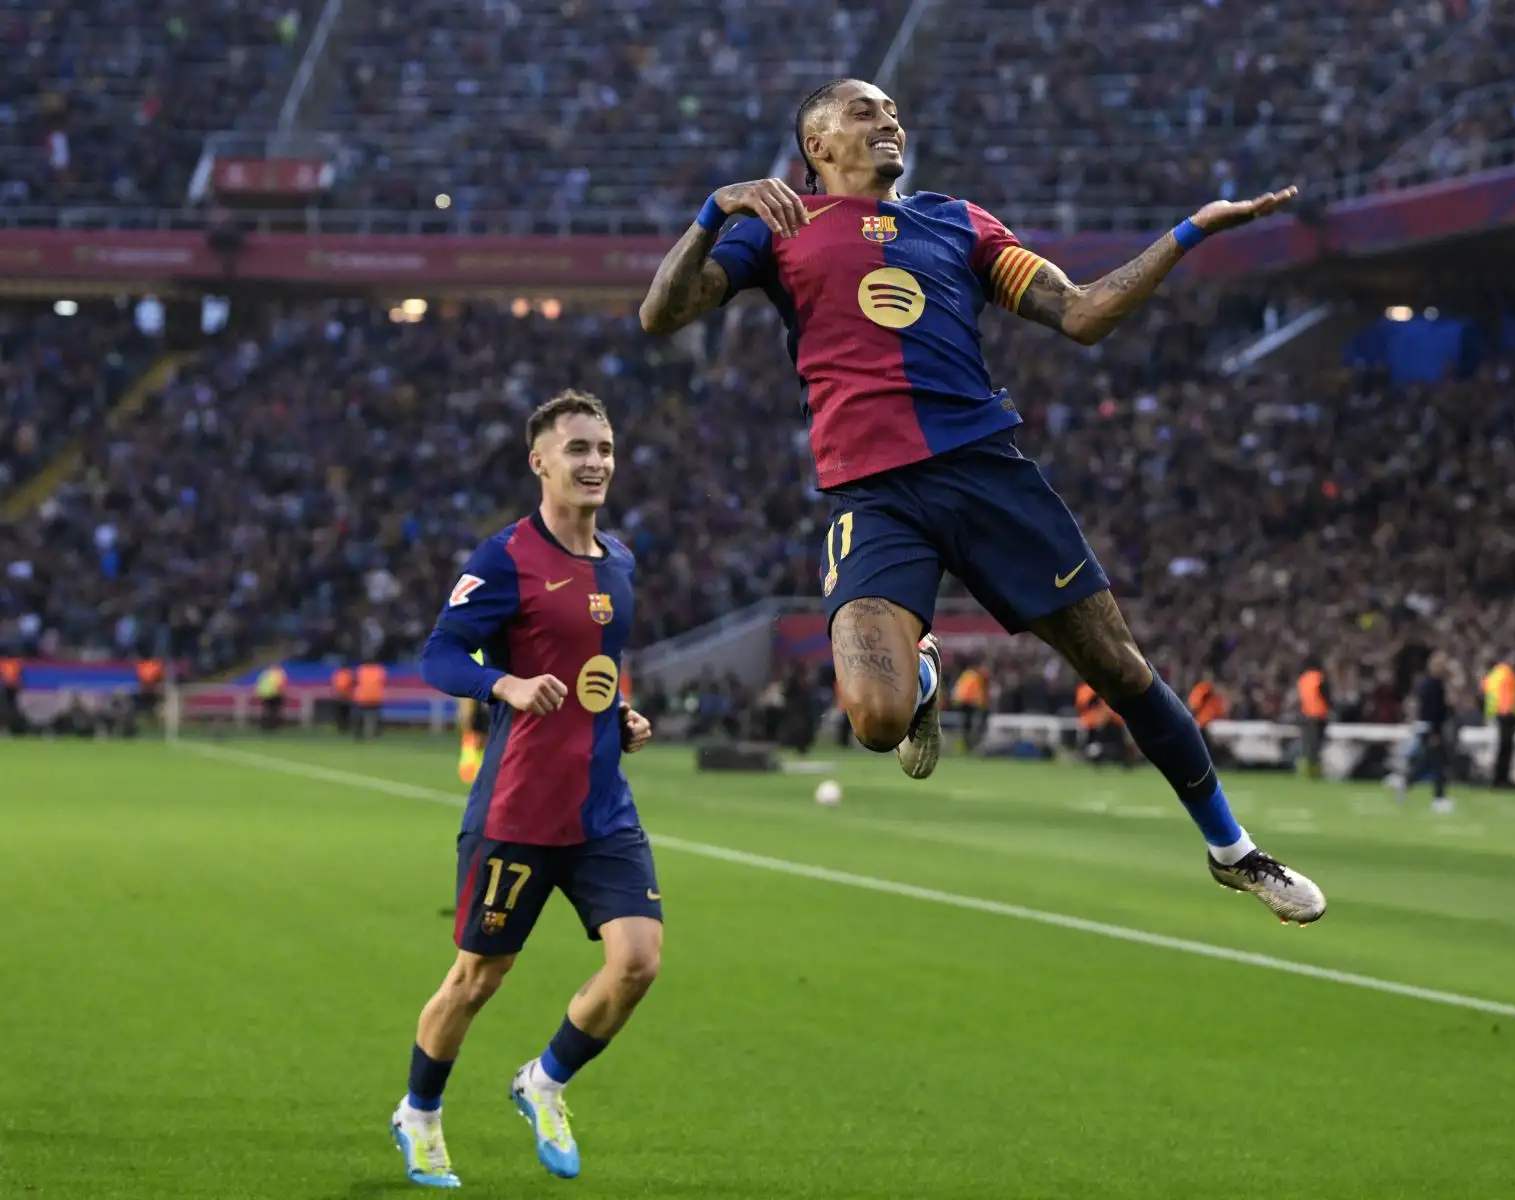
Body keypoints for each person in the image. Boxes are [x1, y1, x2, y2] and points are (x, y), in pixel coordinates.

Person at [639, 78, 1323, 924]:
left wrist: (1187, 233)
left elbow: (1080, 314)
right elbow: (661, 313)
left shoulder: (958, 222)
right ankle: (920, 676)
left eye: (893, 111)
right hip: (876, 495)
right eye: (864, 112)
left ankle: (1233, 851)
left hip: (988, 475)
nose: (888, 121)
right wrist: (713, 212)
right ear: (815, 145)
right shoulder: (777, 235)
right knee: (876, 722)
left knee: (1119, 669)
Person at [396, 391, 660, 1188]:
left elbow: (594, 672)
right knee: (478, 979)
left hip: (602, 806)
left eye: (605, 448)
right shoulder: (503, 559)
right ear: (539, 461)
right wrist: (503, 685)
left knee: (639, 961)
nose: (595, 463)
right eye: (578, 448)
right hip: (518, 810)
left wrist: (621, 715)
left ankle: (544, 1080)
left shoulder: (620, 560)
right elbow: (440, 656)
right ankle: (420, 1113)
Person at [1392, 652, 1453, 812]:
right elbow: (1433, 710)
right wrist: (1435, 731)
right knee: (1438, 763)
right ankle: (1439, 798)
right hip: (1432, 728)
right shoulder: (1432, 684)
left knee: (1427, 762)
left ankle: (1406, 781)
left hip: (1428, 727)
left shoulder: (1428, 683)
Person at [1482, 654, 1515, 788]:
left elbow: (1485, 690)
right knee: (1506, 749)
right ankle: (1503, 779)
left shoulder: (1492, 675)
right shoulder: (1507, 673)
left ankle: (1498, 778)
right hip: (1506, 714)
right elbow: (1512, 696)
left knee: (1500, 749)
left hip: (1495, 714)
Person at [1295, 660, 1331, 778]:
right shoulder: (1319, 678)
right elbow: (1326, 694)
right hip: (1319, 715)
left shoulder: (1302, 679)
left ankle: (1303, 771)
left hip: (1305, 715)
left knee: (1306, 744)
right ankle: (1315, 772)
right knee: (1317, 746)